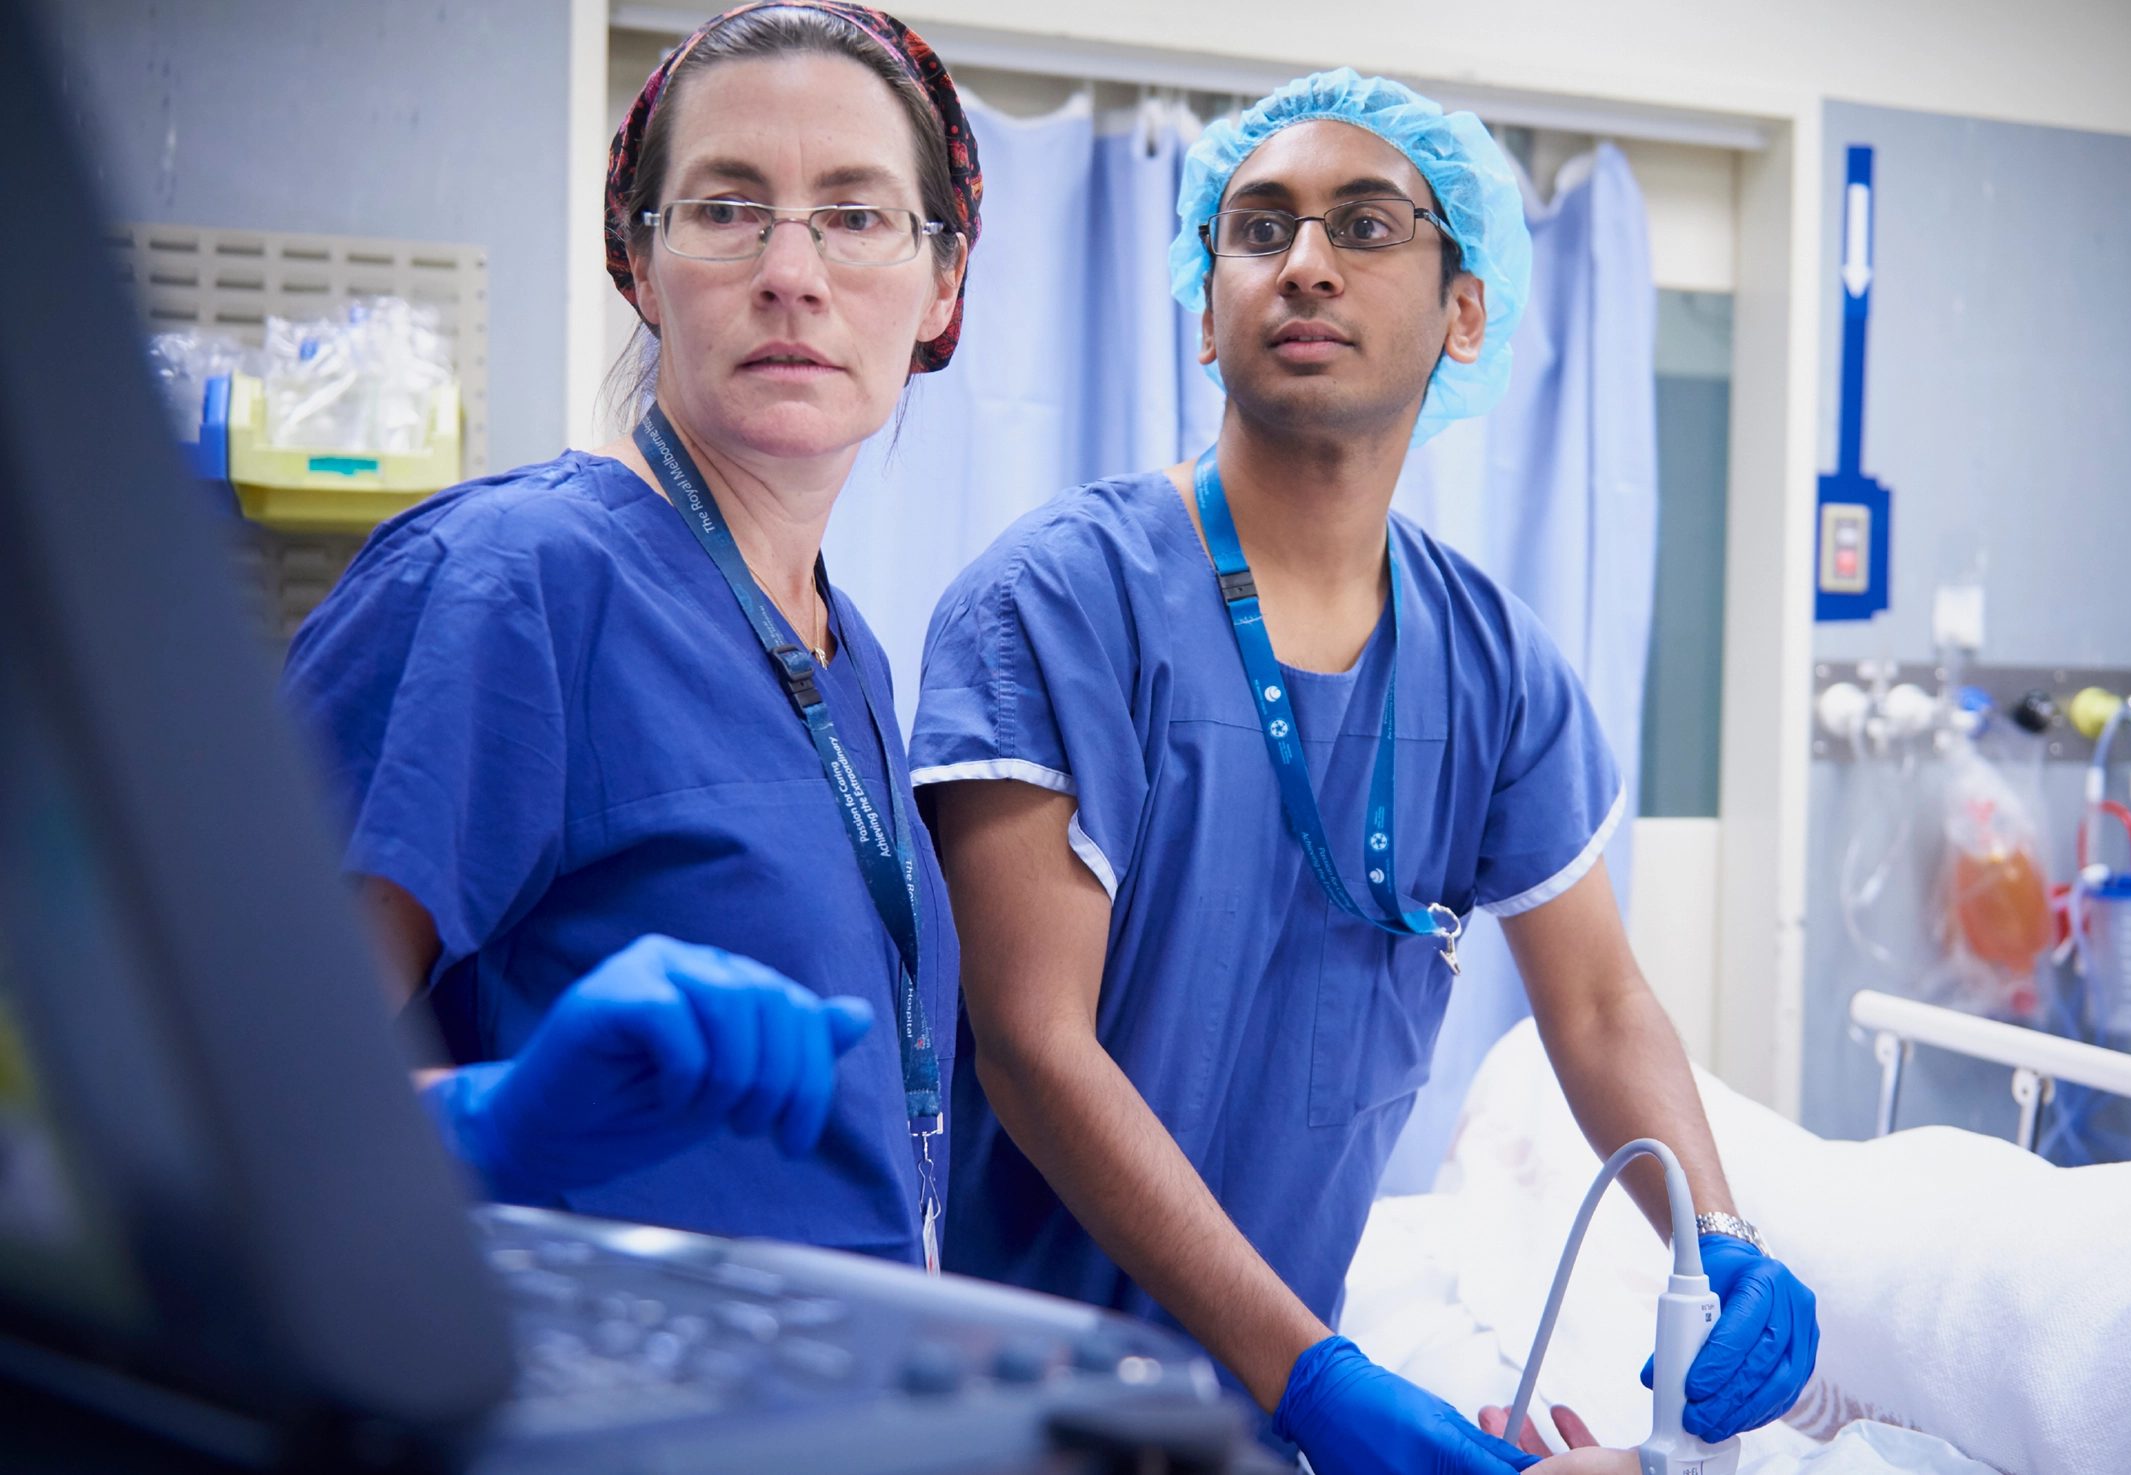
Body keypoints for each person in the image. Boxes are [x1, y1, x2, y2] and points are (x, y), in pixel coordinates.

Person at [910, 69, 1816, 1471]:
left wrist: (1725, 1230)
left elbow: (1594, 997)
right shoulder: (1056, 605)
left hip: (1264, 1404)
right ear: (1208, 308)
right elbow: (1034, 1050)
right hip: (1016, 1403)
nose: (1307, 263)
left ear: (1466, 312)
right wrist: (1315, 1376)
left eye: (1368, 225)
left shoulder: (1493, 664)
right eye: (1258, 229)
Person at [283, 2, 982, 1267]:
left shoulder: (846, 653)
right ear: (640, 262)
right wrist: (483, 1130)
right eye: (724, 208)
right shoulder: (503, 584)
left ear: (941, 284)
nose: (791, 268)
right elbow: (222, 1075)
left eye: (857, 214)